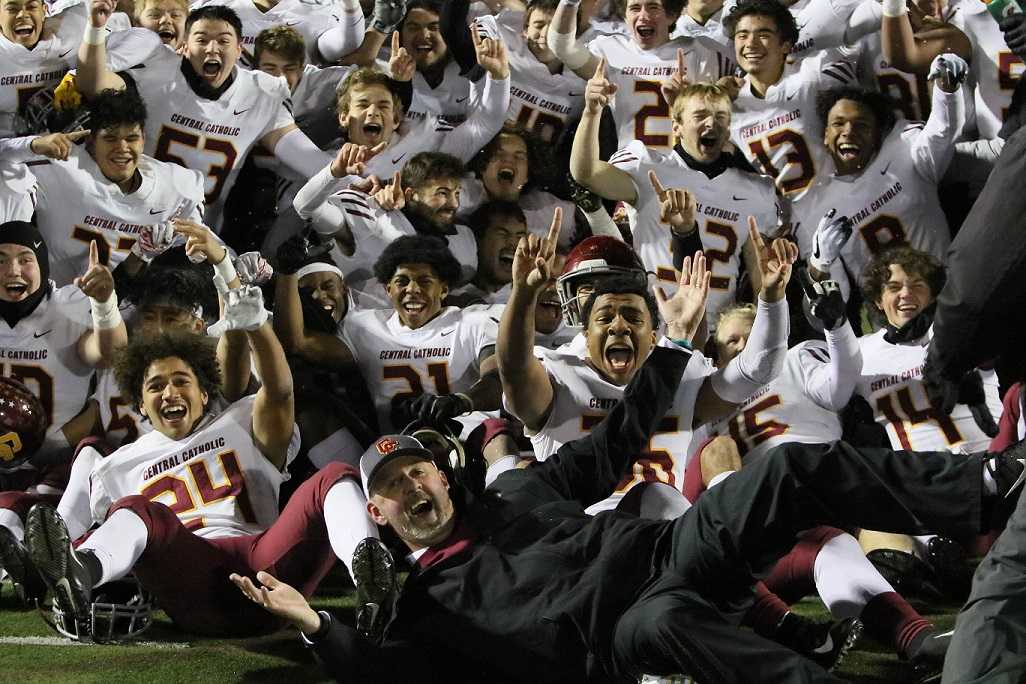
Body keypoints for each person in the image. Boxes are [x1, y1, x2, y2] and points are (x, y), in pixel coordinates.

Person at [229, 326, 1025, 682]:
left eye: (417, 475)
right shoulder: (427, 604)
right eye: (392, 490)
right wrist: (318, 626)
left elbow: (613, 450)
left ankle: (985, 490)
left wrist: (671, 349)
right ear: (377, 516)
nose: (412, 490)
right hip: (621, 637)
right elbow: (390, 673)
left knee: (783, 468)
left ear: (443, 476)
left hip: (671, 554)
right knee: (667, 624)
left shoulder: (517, 490)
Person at [687, 301, 950, 676]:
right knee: (716, 451)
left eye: (753, 333)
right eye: (733, 341)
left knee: (844, 545)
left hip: (819, 500)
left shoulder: (796, 358)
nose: (745, 345)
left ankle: (917, 639)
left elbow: (838, 387)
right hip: (752, 526)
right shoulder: (711, 401)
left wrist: (837, 326)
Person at [75, 2, 334, 229]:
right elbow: (91, 84)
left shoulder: (262, 92)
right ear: (185, 46)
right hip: (134, 220)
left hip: (199, 235)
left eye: (223, 41)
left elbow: (308, 159)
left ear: (239, 49)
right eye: (201, 40)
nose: (212, 49)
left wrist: (346, 171)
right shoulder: (157, 71)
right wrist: (95, 29)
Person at [572, 78, 779, 322]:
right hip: (651, 322)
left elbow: (758, 272)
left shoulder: (756, 189)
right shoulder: (647, 166)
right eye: (700, 115)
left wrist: (760, 327)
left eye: (720, 116)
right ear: (676, 127)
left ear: (729, 128)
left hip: (718, 327)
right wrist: (591, 112)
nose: (711, 122)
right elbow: (586, 174)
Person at [0, 220, 128, 602]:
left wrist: (104, 304)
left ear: (42, 265)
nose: (13, 270)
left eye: (25, 259)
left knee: (12, 514)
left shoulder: (69, 307)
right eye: (0, 260)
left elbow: (111, 353)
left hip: (54, 464)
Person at [274, 232, 501, 435]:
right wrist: (287, 273)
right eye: (402, 281)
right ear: (388, 289)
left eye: (424, 281)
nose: (412, 289)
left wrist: (461, 401)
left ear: (444, 289)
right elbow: (296, 342)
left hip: (473, 444)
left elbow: (499, 381)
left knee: (498, 435)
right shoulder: (364, 327)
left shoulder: (474, 321)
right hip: (399, 451)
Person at [2, 88, 207, 286]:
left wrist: (198, 252)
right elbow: (4, 159)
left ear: (143, 140)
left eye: (131, 138)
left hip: (130, 305)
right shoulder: (62, 166)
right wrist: (32, 145)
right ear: (91, 141)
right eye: (110, 138)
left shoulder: (177, 185)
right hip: (58, 301)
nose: (122, 148)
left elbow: (200, 250)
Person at [791, 74, 965, 296]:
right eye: (838, 123)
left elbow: (942, 132)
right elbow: (830, 303)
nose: (848, 131)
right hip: (888, 311)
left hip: (945, 293)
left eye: (861, 125)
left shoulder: (903, 148)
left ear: (877, 136)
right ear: (825, 135)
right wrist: (819, 265)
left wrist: (947, 91)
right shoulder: (813, 207)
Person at [725, 0, 858, 202]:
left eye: (763, 35)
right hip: (792, 217)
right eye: (742, 35)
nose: (750, 44)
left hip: (845, 201)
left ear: (786, 44)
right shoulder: (729, 107)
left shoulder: (814, 75)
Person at [296, 151, 479, 297]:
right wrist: (334, 172)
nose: (455, 204)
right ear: (411, 195)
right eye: (442, 193)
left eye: (457, 193)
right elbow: (305, 206)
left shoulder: (460, 238)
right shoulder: (372, 214)